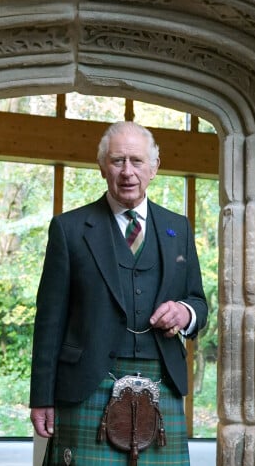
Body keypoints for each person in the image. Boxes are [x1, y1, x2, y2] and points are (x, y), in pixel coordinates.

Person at [29, 121, 208, 465]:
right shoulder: (69, 229)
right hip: (87, 383)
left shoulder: (178, 229)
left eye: (137, 161)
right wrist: (41, 397)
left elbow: (198, 302)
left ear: (154, 168)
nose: (128, 172)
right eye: (118, 161)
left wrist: (186, 313)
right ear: (102, 167)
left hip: (163, 383)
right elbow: (49, 321)